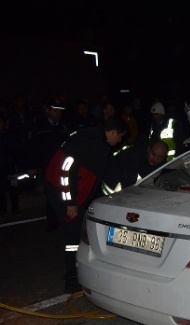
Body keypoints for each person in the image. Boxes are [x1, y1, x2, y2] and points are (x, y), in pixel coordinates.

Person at [44, 118, 126, 293]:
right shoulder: (85, 140)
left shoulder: (99, 143)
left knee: (77, 229)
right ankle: (71, 277)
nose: (119, 141)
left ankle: (77, 269)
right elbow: (65, 172)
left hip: (73, 193)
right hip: (62, 191)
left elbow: (94, 176)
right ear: (112, 133)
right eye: (119, 137)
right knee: (72, 236)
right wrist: (70, 202)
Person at [28, 99, 70, 229]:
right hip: (46, 166)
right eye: (55, 110)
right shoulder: (39, 126)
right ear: (48, 110)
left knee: (63, 193)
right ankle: (53, 223)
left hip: (63, 166)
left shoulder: (64, 126)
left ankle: (64, 220)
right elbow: (33, 147)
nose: (58, 113)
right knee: (50, 194)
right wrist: (32, 165)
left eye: (60, 110)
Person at [101, 139, 168, 195]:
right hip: (111, 190)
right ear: (148, 149)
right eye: (153, 154)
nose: (155, 159)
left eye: (160, 157)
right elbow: (129, 183)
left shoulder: (163, 164)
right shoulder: (133, 157)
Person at [0, 114, 21, 217]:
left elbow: (16, 150)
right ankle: (2, 208)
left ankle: (15, 207)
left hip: (10, 166)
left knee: (13, 186)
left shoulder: (10, 135)